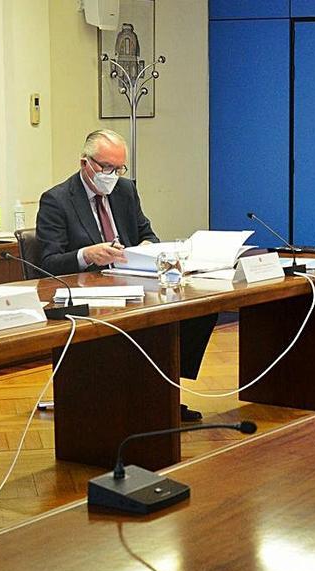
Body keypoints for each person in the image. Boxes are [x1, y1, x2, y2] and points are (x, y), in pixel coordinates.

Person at [35, 129, 216, 421]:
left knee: (199, 309)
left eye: (119, 168)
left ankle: (163, 390)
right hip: (90, 291)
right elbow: (46, 264)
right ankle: (128, 398)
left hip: (133, 281)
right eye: (106, 167)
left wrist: (145, 247)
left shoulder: (126, 190)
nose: (112, 174)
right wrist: (86, 255)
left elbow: (148, 234)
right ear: (85, 163)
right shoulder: (57, 200)